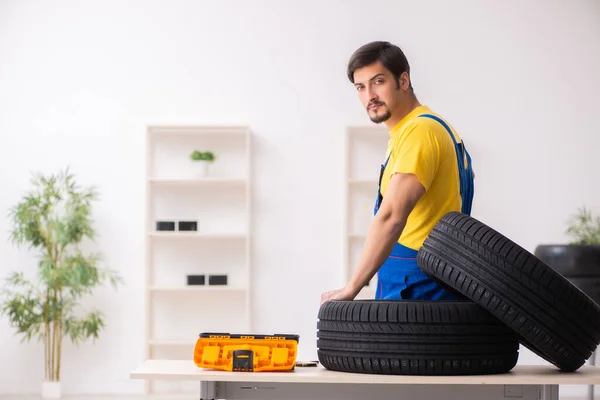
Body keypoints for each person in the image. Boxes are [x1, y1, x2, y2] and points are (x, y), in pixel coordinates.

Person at [320, 41, 475, 304]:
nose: (369, 95)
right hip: (412, 279)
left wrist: (352, 287)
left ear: (403, 81)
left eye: (378, 81)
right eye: (360, 87)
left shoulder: (420, 131)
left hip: (419, 285)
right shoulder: (415, 131)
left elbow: (392, 216)